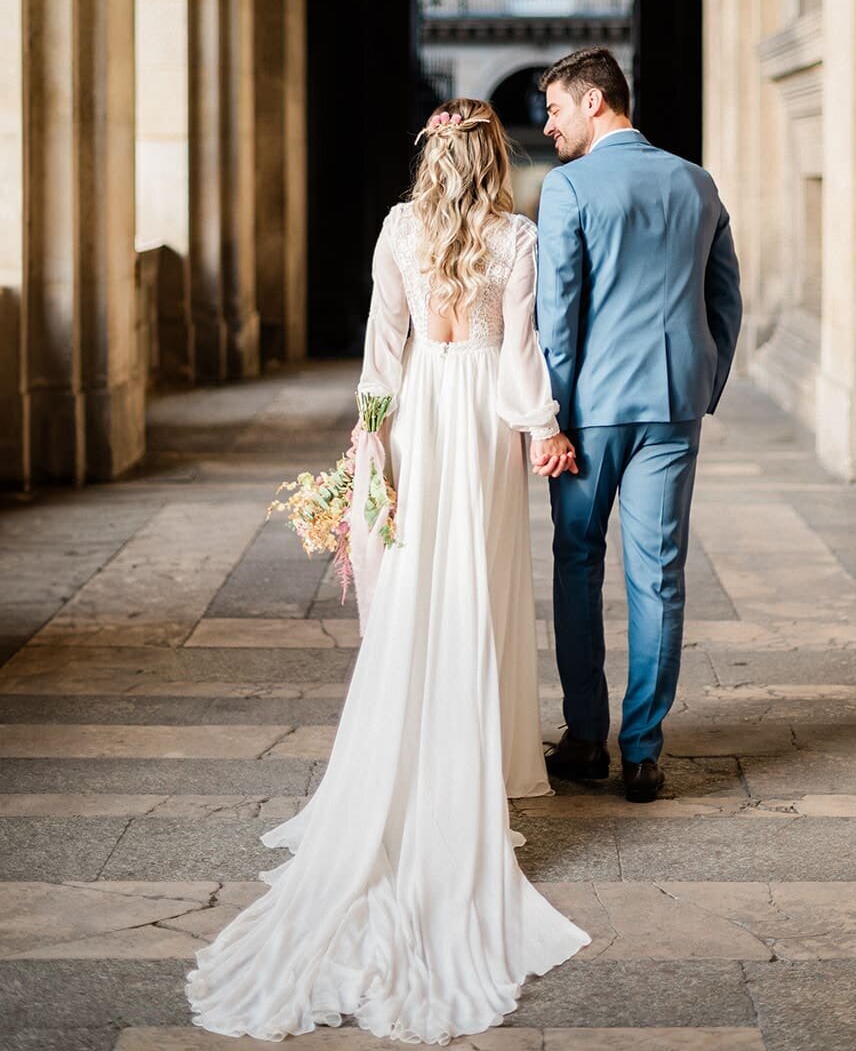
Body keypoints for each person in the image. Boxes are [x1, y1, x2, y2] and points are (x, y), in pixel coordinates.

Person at [185, 98, 590, 1044]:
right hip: (484, 422)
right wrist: (545, 428)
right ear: (492, 158)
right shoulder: (514, 236)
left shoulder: (399, 230)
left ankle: (407, 759)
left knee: (412, 593)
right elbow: (521, 351)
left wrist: (370, 444)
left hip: (414, 416)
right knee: (477, 592)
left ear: (430, 157)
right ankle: (476, 761)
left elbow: (381, 350)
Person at [531, 48, 742, 804]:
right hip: (672, 403)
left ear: (595, 102)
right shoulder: (696, 181)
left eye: (555, 108)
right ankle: (644, 751)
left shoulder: (570, 188)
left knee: (577, 564)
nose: (547, 124)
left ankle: (587, 739)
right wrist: (700, 386)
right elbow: (726, 300)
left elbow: (557, 316)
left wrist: (546, 417)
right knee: (657, 574)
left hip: (588, 411)